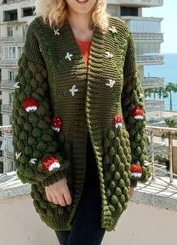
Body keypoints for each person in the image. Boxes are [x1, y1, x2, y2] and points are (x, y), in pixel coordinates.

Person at [12, 0, 151, 244]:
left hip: (108, 168)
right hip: (62, 164)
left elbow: (132, 103)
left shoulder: (119, 34)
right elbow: (30, 105)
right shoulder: (42, 32)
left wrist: (134, 168)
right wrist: (50, 173)